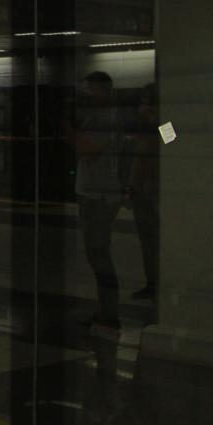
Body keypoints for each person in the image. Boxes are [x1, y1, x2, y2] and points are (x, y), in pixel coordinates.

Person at [69, 72, 123, 330]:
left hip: (100, 196)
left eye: (90, 92)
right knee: (95, 253)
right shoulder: (93, 118)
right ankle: (105, 308)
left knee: (99, 252)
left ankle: (109, 311)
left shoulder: (106, 119)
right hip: (91, 193)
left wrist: (69, 129)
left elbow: (87, 151)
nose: (86, 96)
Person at [125, 83, 160, 303]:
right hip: (153, 192)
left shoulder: (152, 128)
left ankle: (154, 284)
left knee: (150, 242)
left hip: (148, 194)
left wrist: (131, 189)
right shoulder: (162, 127)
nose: (140, 108)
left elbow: (143, 159)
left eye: (144, 103)